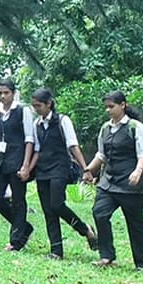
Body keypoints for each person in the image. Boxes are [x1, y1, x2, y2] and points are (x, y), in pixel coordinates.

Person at [81, 90, 143, 270]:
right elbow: (101, 155)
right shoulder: (105, 128)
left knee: (135, 222)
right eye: (106, 107)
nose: (108, 110)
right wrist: (89, 170)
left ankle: (141, 263)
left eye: (111, 106)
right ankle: (107, 256)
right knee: (99, 212)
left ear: (123, 105)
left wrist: (137, 172)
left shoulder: (135, 127)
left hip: (130, 183)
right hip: (108, 182)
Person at [28, 88, 98, 260]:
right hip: (42, 169)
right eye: (34, 106)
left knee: (57, 205)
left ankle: (85, 229)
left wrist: (86, 169)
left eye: (38, 106)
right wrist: (28, 169)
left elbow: (73, 145)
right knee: (48, 211)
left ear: (49, 104)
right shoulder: (36, 124)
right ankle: (56, 251)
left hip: (60, 167)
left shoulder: (62, 120)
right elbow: (36, 149)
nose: (36, 109)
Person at [0, 79, 37, 251]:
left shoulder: (22, 111)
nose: (3, 96)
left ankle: (16, 241)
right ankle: (24, 228)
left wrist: (26, 165)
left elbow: (29, 139)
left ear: (13, 93)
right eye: (0, 93)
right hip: (1, 161)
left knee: (18, 200)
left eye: (6, 93)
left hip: (18, 160)